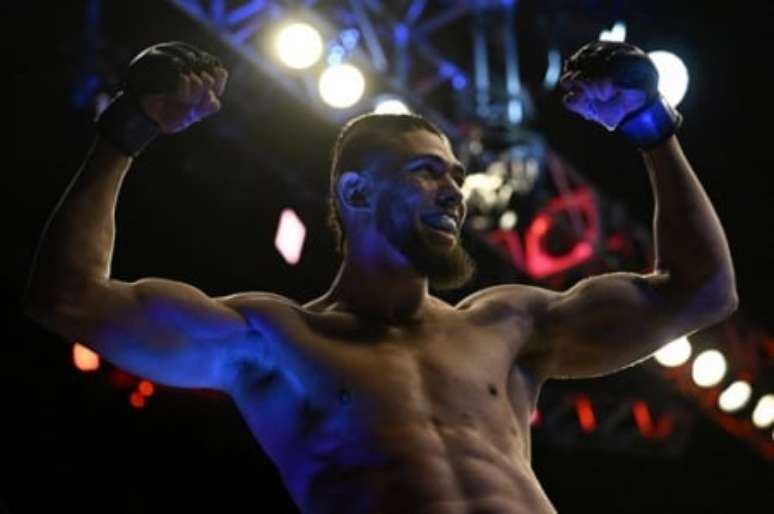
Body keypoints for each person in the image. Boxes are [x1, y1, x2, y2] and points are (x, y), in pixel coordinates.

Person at [23, 41, 737, 514]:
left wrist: (652, 128)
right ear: (357, 194)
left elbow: (703, 291)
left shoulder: (510, 326)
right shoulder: (275, 338)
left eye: (457, 176)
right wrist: (125, 133)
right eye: (428, 173)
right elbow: (68, 298)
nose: (454, 191)